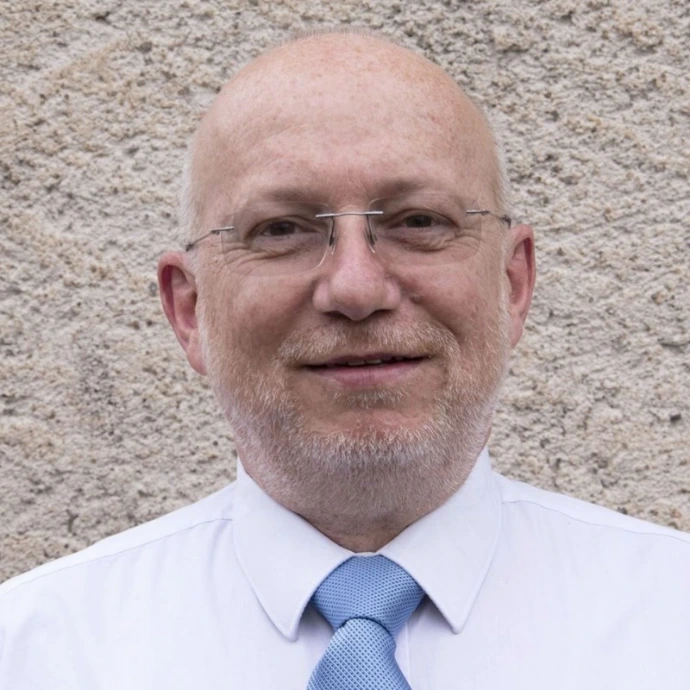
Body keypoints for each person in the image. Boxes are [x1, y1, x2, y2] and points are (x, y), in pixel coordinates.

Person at [1, 31, 688, 689]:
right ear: (189, 308)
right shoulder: (34, 654)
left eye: (419, 222)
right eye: (281, 229)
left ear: (512, 284)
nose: (357, 289)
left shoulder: (671, 621)